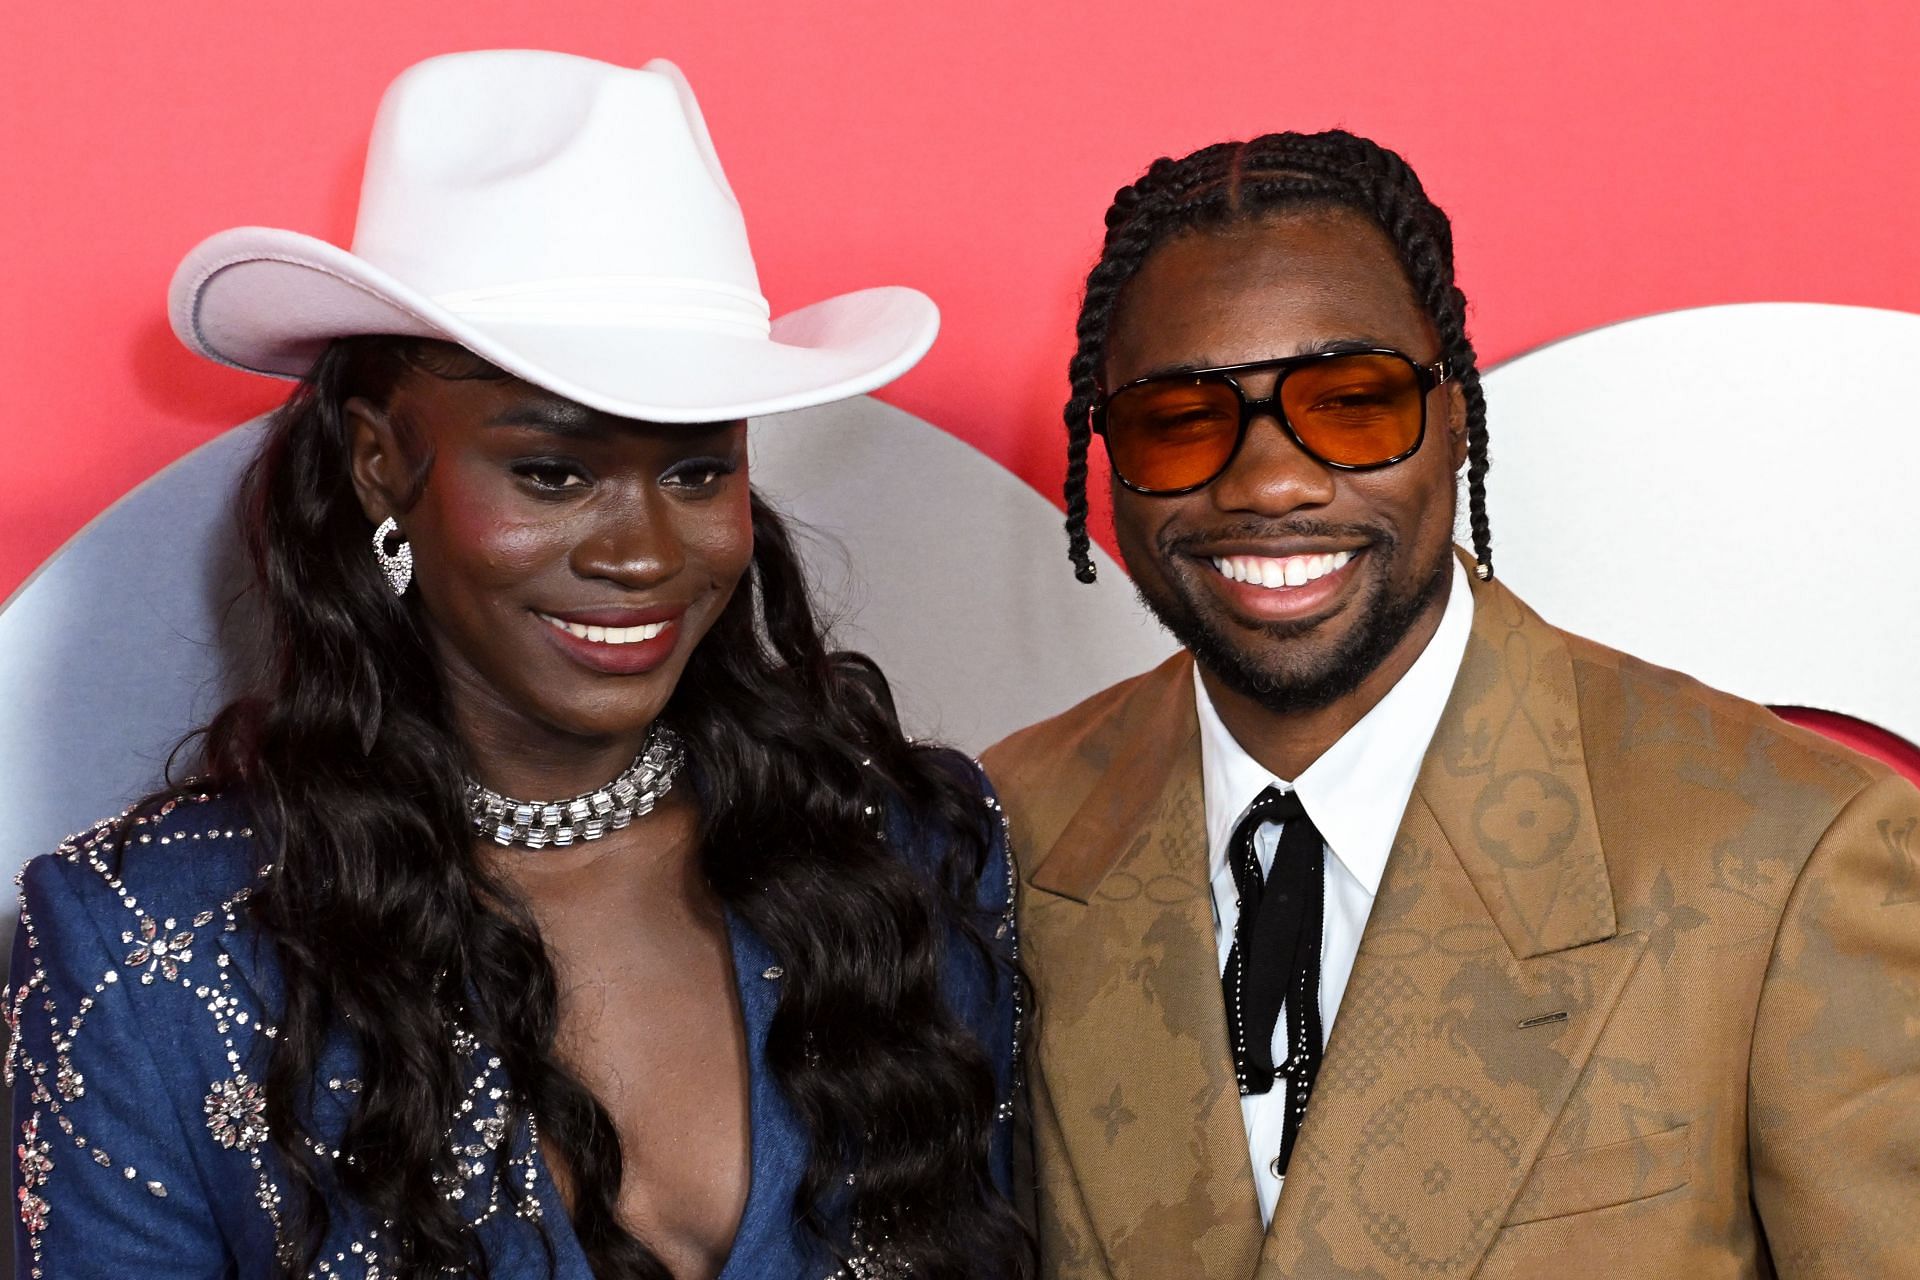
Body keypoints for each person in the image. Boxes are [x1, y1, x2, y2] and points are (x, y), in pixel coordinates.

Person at [7, 51, 1026, 1280]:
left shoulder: (908, 843)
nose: (646, 552)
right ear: (383, 460)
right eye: (554, 472)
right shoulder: (152, 947)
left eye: (698, 470)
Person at [984, 130, 1920, 1278]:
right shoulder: (1004, 830)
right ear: (1107, 461)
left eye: (1353, 402)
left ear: (1456, 415)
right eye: (1179, 419)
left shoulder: (1786, 852)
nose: (1271, 480)